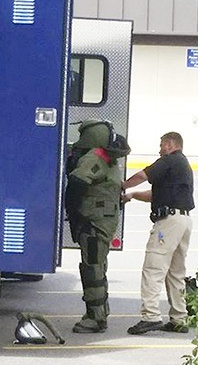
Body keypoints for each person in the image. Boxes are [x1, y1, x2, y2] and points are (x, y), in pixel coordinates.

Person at [122, 132, 194, 335]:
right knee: (175, 272)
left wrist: (123, 185)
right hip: (183, 220)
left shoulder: (169, 160)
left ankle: (151, 316)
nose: (159, 149)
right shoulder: (182, 165)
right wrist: (134, 195)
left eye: (162, 145)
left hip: (168, 223)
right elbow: (156, 195)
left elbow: (143, 176)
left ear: (171, 144)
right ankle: (179, 318)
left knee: (153, 268)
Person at [65, 120, 131, 334]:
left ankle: (95, 317)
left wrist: (72, 210)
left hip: (93, 221)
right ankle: (99, 312)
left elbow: (77, 182)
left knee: (92, 268)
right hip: (103, 220)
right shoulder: (108, 157)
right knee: (98, 266)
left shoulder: (95, 157)